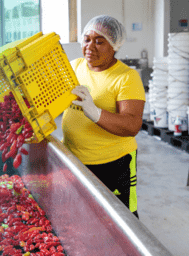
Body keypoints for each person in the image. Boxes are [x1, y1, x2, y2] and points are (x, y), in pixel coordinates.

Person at [62, 15, 145, 218]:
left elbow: (132, 125)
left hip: (113, 165)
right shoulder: (75, 66)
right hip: (74, 159)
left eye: (99, 42)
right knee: (83, 215)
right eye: (87, 39)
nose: (90, 46)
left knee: (121, 218)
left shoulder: (126, 77)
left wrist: (96, 113)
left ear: (115, 46)